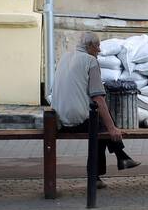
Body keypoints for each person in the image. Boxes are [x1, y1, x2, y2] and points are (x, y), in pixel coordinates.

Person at [50, 32, 140, 177]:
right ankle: (116, 159)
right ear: (90, 46)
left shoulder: (65, 57)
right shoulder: (90, 61)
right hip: (75, 121)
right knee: (103, 129)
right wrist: (112, 129)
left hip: (58, 120)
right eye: (97, 45)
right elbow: (98, 97)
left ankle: (120, 159)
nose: (99, 50)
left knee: (100, 123)